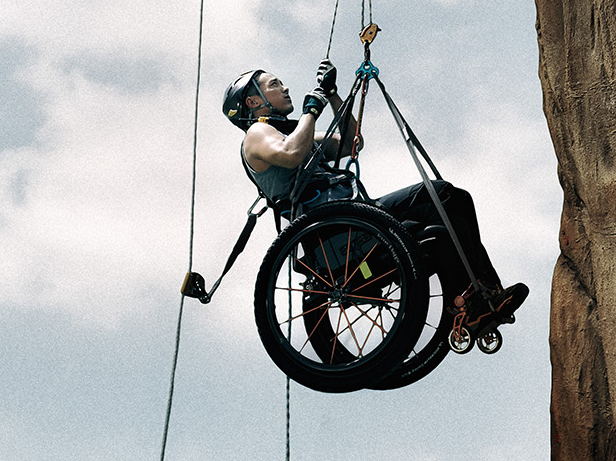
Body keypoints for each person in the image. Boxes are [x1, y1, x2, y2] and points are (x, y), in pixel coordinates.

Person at [223, 61, 528, 323]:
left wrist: (331, 96)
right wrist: (310, 110)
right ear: (253, 101)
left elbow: (352, 141)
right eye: (275, 85)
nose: (285, 88)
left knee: (448, 210)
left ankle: (476, 301)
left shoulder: (291, 133)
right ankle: (473, 298)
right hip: (335, 233)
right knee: (441, 196)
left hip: (356, 222)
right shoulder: (257, 133)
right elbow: (290, 154)